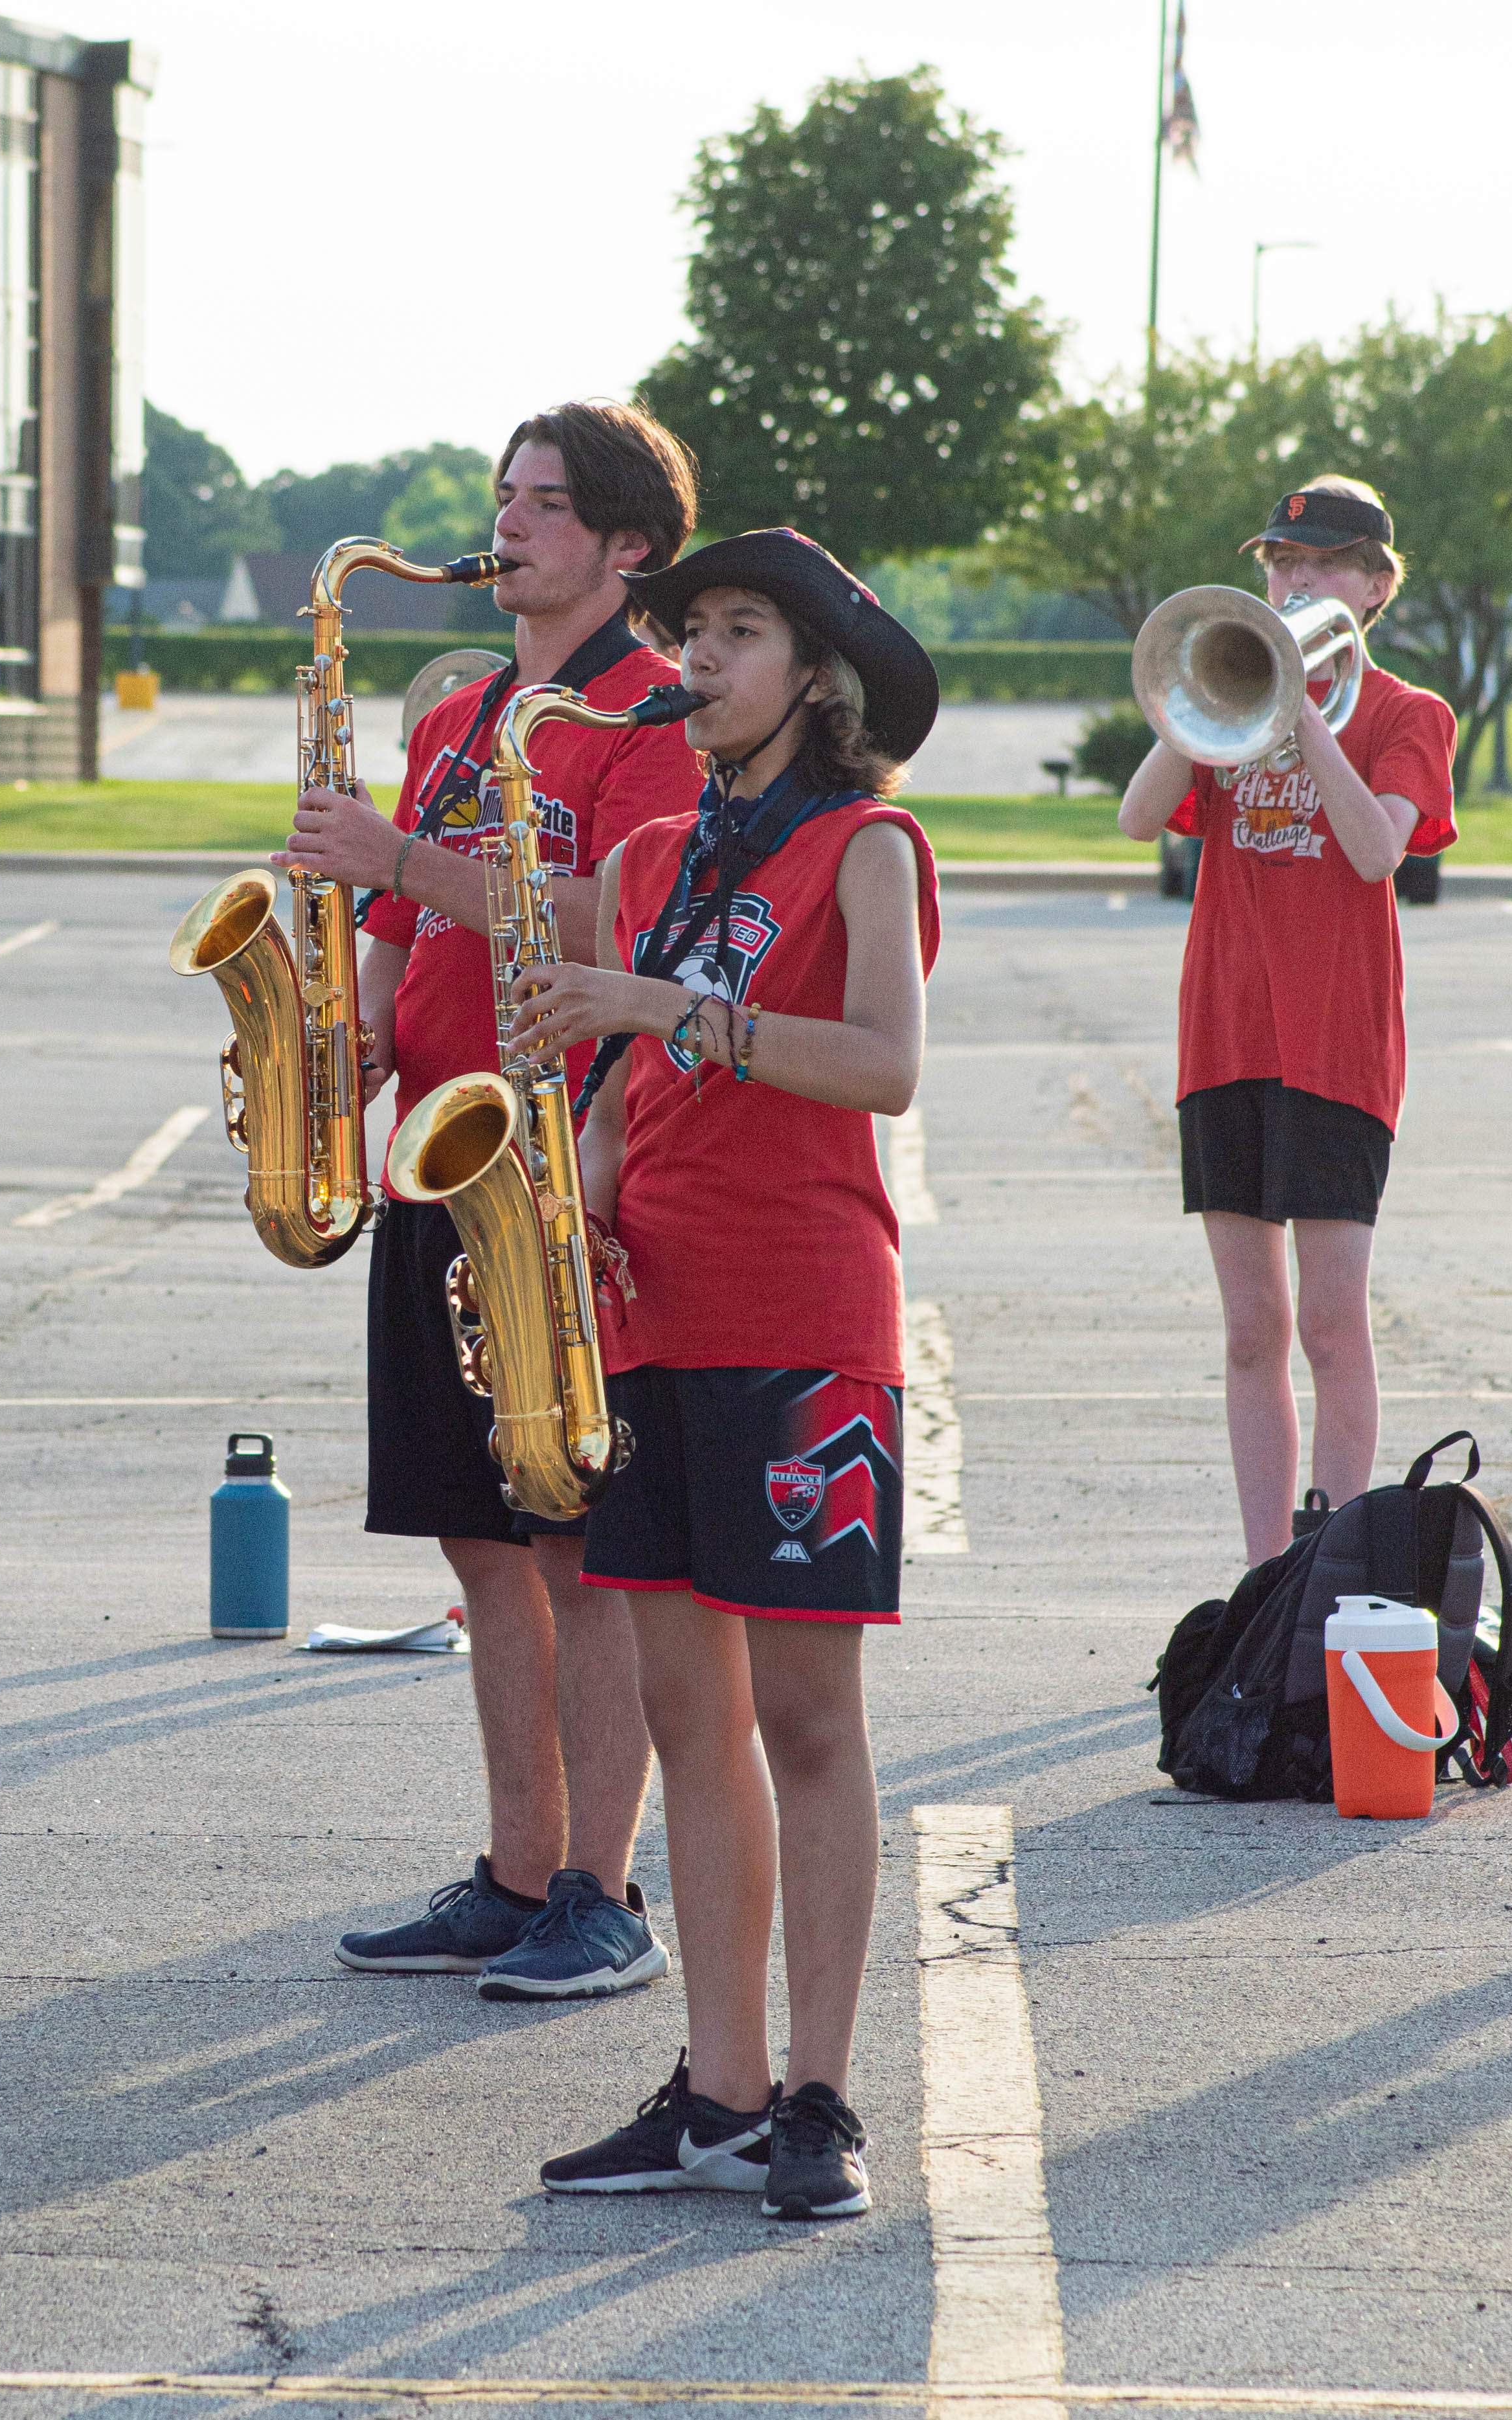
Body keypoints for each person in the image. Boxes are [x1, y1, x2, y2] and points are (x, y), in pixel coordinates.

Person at [498, 528, 941, 2220]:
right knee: (690, 1721)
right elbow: (623, 1107)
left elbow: (885, 1066)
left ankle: (817, 2096)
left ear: (816, 677)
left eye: (737, 631)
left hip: (804, 1316)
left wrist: (655, 1005)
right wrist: (566, 1225)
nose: (695, 656)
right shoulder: (656, 854)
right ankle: (719, 2091)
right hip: (653, 1317)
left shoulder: (867, 843)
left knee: (807, 1722)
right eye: (689, 629)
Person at [273, 401, 704, 1998]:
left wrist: (396, 859)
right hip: (435, 1159)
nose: (505, 526)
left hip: (562, 1168)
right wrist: (343, 1046)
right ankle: (520, 1872)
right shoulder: (461, 716)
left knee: (577, 1546)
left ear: (626, 545)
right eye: (503, 496)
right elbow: (403, 945)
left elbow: (618, 921)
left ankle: (604, 1890)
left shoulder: (654, 715)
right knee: (478, 1544)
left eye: (544, 504)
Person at [1118, 475, 1458, 1566]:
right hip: (1225, 1035)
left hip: (1337, 1045)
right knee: (1251, 1327)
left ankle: (1333, 1561)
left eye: (1321, 563)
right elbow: (1136, 818)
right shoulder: (1231, 712)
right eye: (1280, 562)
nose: (1295, 579)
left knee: (1328, 1322)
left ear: (1374, 585)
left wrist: (1302, 712)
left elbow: (1376, 850)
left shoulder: (1407, 714)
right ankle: (1266, 1573)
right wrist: (1208, 703)